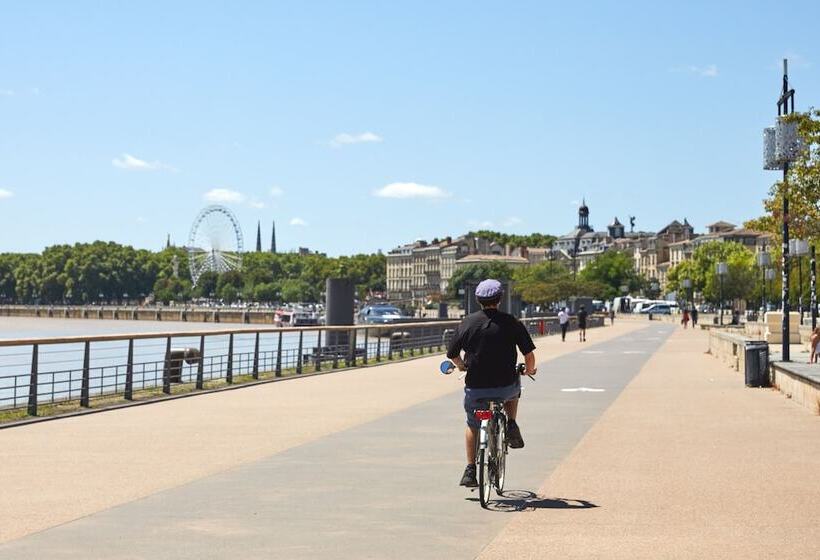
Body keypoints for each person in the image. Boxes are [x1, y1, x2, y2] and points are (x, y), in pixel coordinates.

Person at [446, 279, 537, 487]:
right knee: (514, 392)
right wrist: (529, 369)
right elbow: (528, 355)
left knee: (473, 423)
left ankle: (470, 469)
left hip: (476, 388)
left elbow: (452, 353)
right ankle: (511, 423)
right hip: (505, 386)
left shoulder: (467, 323)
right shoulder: (511, 322)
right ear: (500, 299)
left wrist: (461, 366)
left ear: (478, 300)